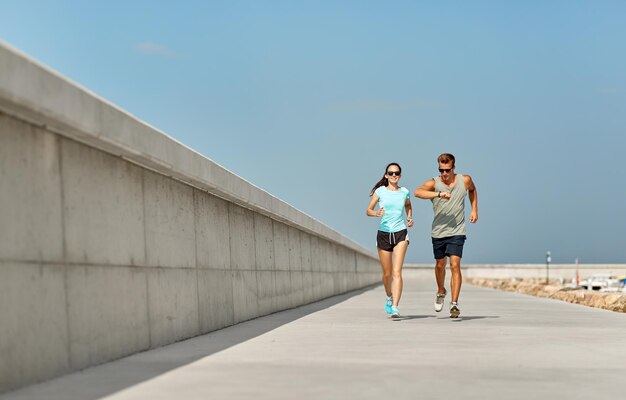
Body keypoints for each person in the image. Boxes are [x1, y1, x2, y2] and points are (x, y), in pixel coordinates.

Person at [414, 153, 478, 318]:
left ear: (453, 168)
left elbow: (472, 190)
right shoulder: (434, 183)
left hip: (457, 231)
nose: (444, 174)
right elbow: (417, 192)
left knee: (455, 265)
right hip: (438, 231)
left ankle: (454, 303)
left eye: (447, 170)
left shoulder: (465, 180)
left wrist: (474, 209)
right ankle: (441, 291)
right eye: (441, 170)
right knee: (440, 265)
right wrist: (438, 194)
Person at [366, 162, 413, 318]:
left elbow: (408, 205)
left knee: (397, 272)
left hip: (400, 233)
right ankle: (389, 297)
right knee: (387, 274)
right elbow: (368, 210)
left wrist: (410, 217)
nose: (394, 175)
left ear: (400, 175)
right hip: (384, 234)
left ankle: (395, 307)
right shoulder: (380, 192)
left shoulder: (405, 191)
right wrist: (376, 213)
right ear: (386, 175)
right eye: (391, 173)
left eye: (397, 173)